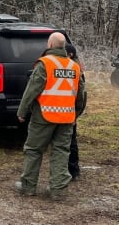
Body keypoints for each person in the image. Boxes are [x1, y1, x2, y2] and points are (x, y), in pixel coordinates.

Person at [14, 32, 86, 199]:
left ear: (50, 45)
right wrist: (76, 114)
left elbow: (32, 89)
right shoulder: (75, 67)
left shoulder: (45, 64)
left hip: (44, 115)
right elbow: (81, 95)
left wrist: (22, 111)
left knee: (34, 150)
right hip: (67, 118)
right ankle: (58, 190)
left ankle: (28, 186)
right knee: (61, 151)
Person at [65, 43, 87, 179]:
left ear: (70, 54)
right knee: (71, 140)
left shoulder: (73, 68)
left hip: (68, 111)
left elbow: (80, 95)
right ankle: (73, 170)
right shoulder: (76, 67)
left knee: (70, 142)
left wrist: (75, 114)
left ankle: (72, 170)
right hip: (70, 111)